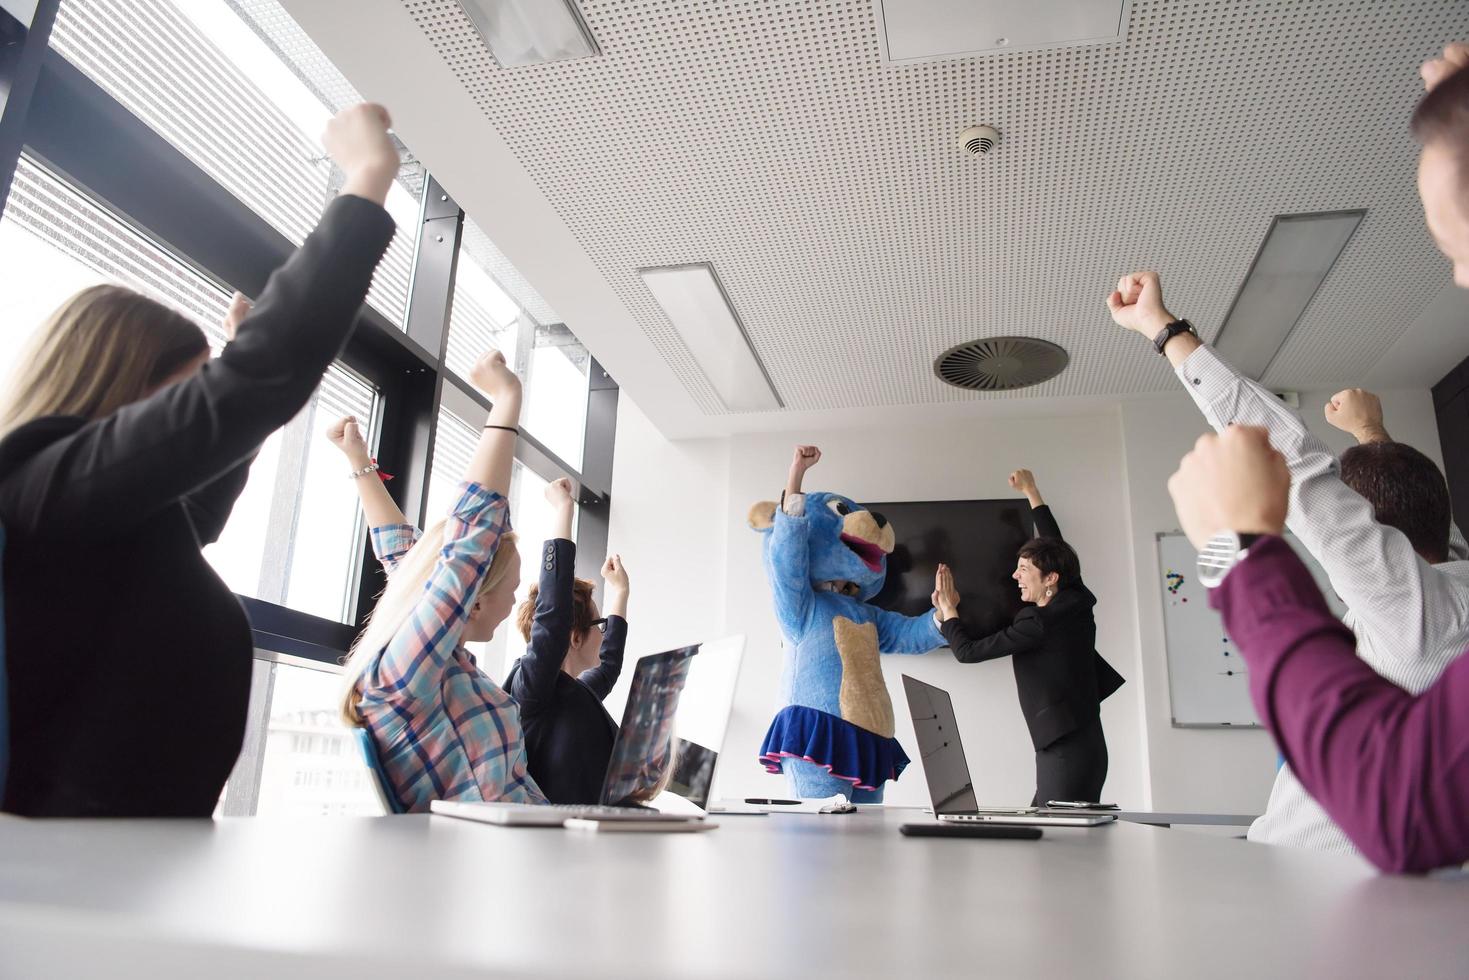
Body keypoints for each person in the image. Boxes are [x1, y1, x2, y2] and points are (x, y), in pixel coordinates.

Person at [0, 104, 400, 817]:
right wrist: (365, 182)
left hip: (123, 863)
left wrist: (252, 378)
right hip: (69, 878)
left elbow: (203, 503)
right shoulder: (41, 489)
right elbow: (248, 390)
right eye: (180, 395)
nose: (184, 423)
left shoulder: (111, 521)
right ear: (122, 384)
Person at [1167, 424, 1469, 873]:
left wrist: (1233, 547)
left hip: (1331, 893)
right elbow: (1433, 536)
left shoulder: (1426, 612)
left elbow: (1403, 811)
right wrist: (1373, 434)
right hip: (1294, 872)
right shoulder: (1446, 592)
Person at [331, 349, 545, 811]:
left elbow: (403, 557)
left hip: (533, 845)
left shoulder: (434, 663)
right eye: (510, 592)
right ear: (472, 599)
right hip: (503, 867)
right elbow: (470, 543)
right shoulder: (407, 675)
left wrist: (359, 464)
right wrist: (507, 399)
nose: (514, 605)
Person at [931, 469, 1124, 806]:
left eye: (1024, 570)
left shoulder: (1039, 622)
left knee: (1059, 847)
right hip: (1076, 745)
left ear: (1050, 578)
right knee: (1053, 839)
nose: (1014, 575)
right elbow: (1057, 544)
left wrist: (949, 610)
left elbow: (967, 651)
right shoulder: (1074, 598)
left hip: (1066, 751)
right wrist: (1032, 492)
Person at [503, 477, 631, 804]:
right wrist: (564, 510)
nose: (603, 634)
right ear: (573, 637)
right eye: (598, 625)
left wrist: (620, 592)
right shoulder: (530, 689)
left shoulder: (574, 693)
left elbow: (611, 665)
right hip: (555, 843)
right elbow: (554, 617)